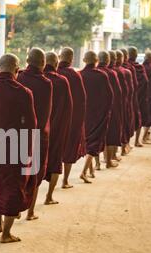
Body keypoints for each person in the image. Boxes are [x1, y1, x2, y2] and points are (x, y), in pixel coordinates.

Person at [0, 54, 37, 242]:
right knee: (14, 187)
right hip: (15, 147)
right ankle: (6, 233)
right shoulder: (24, 92)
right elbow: (31, 124)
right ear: (16, 70)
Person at [17, 48, 53, 221]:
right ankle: (30, 212)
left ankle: (13, 209)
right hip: (38, 133)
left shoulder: (19, 77)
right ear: (43, 64)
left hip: (17, 132)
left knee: (16, 171)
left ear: (26, 60)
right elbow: (46, 112)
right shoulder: (46, 83)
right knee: (35, 172)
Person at [43, 52, 73, 205]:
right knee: (55, 162)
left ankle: (29, 207)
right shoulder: (62, 81)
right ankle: (48, 196)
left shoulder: (28, 79)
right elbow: (69, 108)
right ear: (56, 64)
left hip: (36, 129)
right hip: (56, 128)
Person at [80, 51, 114, 182]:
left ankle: (91, 170)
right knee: (94, 143)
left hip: (84, 114)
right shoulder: (102, 75)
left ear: (83, 60)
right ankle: (83, 172)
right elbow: (109, 96)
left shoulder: (80, 75)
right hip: (98, 114)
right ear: (96, 61)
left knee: (87, 141)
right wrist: (106, 112)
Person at [57, 47, 87, 188]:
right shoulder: (74, 76)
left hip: (54, 119)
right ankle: (65, 181)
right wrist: (79, 122)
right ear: (71, 59)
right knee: (69, 149)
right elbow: (81, 100)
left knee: (55, 149)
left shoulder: (52, 73)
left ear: (60, 57)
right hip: (71, 119)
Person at [97, 51, 122, 168]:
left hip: (94, 109)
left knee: (96, 134)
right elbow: (117, 94)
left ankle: (96, 164)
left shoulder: (94, 73)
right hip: (110, 108)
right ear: (108, 60)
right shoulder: (112, 74)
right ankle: (108, 161)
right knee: (111, 133)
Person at [128, 47, 149, 145]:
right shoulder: (140, 68)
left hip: (128, 98)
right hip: (138, 97)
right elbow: (145, 82)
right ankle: (137, 141)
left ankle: (125, 144)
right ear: (136, 56)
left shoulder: (125, 67)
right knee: (138, 118)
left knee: (126, 119)